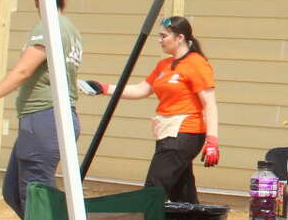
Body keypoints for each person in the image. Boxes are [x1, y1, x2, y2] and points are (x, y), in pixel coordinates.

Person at [0, 0, 85, 218]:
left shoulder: (48, 26)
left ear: (38, 1)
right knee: (14, 192)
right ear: (64, 0)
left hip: (45, 117)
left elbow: (23, 70)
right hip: (53, 118)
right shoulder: (71, 30)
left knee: (34, 193)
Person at [83, 17, 220, 204]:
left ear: (179, 38)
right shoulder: (163, 66)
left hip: (184, 133)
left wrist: (212, 140)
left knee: (155, 188)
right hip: (166, 133)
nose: (159, 40)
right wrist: (104, 88)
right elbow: (141, 90)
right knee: (181, 190)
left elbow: (209, 104)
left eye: (164, 36)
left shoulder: (196, 63)